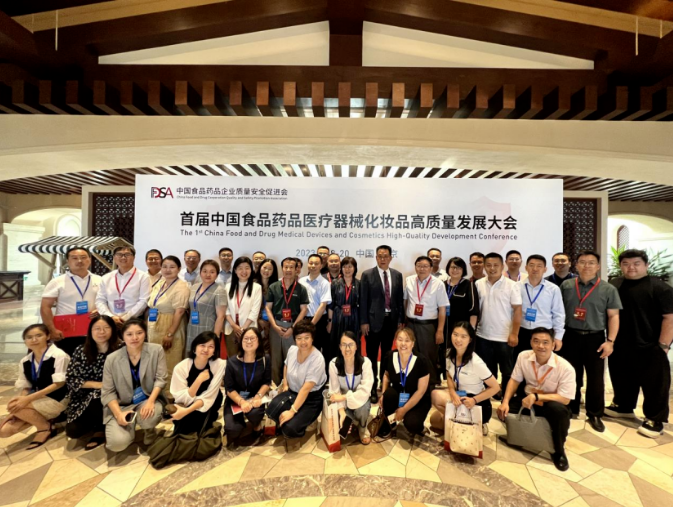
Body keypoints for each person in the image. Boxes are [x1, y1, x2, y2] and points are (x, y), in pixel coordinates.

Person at [605, 249, 673, 438]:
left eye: (636, 263)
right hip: (621, 342)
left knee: (654, 384)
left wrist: (663, 345)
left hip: (651, 345)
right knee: (621, 376)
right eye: (626, 264)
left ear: (646, 265)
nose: (631, 268)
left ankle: (654, 419)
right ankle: (623, 406)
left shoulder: (660, 288)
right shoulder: (615, 284)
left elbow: (669, 318)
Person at [498, 328, 576, 472]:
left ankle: (558, 451)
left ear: (553, 345)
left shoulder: (565, 368)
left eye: (545, 342)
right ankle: (518, 437)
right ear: (531, 343)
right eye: (536, 341)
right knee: (505, 412)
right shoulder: (523, 356)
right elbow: (514, 380)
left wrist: (537, 397)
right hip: (527, 399)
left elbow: (565, 399)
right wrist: (505, 402)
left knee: (558, 412)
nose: (541, 346)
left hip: (550, 402)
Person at [559, 250, 621, 432]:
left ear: (598, 266)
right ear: (576, 265)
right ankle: (571, 407)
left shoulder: (608, 289)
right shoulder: (567, 286)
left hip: (595, 338)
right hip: (570, 335)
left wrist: (610, 341)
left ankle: (594, 413)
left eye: (591, 262)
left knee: (595, 378)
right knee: (570, 374)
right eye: (582, 262)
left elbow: (614, 316)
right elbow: (558, 311)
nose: (586, 266)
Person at [0, 324, 69, 450]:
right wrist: (20, 404)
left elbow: (59, 384)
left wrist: (25, 401)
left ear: (47, 336)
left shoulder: (59, 355)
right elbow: (26, 387)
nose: (34, 340)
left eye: (38, 335)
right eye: (29, 337)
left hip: (59, 397)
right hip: (38, 399)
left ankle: (45, 428)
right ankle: (47, 423)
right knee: (4, 431)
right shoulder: (25, 361)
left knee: (14, 406)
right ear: (25, 341)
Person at [101, 319, 167, 452]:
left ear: (145, 333)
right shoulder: (112, 359)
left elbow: (161, 379)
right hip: (122, 405)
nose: (135, 338)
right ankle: (128, 431)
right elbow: (108, 392)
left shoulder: (156, 350)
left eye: (139, 333)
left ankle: (149, 429)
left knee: (149, 417)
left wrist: (150, 401)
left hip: (146, 399)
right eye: (129, 334)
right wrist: (118, 414)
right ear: (122, 336)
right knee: (117, 444)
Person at [430, 322, 500, 435]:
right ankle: (462, 422)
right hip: (459, 398)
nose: (458, 339)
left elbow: (495, 387)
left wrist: (474, 400)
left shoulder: (476, 362)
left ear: (470, 340)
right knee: (434, 420)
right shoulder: (449, 354)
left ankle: (475, 423)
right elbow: (449, 375)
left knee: (437, 398)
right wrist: (452, 392)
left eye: (463, 336)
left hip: (476, 402)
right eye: (455, 334)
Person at [65, 315, 121, 449]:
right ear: (90, 331)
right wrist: (97, 385)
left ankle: (101, 428)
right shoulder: (81, 350)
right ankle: (97, 422)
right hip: (83, 396)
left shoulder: (121, 349)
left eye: (106, 328)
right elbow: (71, 378)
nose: (102, 332)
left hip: (112, 394)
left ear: (113, 330)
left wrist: (106, 387)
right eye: (97, 328)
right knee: (73, 431)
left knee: (98, 398)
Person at [360, 245, 404, 403]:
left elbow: (399, 300)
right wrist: (364, 321)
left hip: (391, 321)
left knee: (387, 354)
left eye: (386, 256)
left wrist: (400, 320)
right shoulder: (367, 275)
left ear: (391, 257)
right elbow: (363, 300)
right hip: (372, 322)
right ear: (376, 258)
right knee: (371, 355)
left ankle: (384, 383)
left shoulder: (397, 275)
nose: (383, 259)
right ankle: (372, 386)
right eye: (380, 256)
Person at [267, 321, 326, 438]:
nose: (303, 342)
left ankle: (309, 421)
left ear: (312, 338)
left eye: (306, 338)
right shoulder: (292, 350)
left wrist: (292, 411)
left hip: (311, 398)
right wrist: (285, 383)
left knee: (289, 429)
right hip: (293, 392)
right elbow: (286, 365)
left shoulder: (317, 359)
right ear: (294, 339)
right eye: (299, 338)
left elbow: (306, 389)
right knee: (271, 410)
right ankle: (297, 418)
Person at [475, 253, 522, 398]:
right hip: (483, 335)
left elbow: (518, 310)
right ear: (484, 266)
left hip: (504, 336)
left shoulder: (512, 285)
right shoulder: (478, 284)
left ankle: (507, 398)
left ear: (502, 266)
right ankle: (492, 394)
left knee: (507, 370)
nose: (492, 268)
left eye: (496, 265)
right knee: (487, 369)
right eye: (488, 265)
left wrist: (514, 334)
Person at [41, 247, 102, 356]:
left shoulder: (100, 280)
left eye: (83, 257)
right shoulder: (57, 282)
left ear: (89, 260)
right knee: (66, 359)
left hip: (93, 329)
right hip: (66, 331)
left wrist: (100, 310)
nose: (79, 261)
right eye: (74, 258)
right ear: (68, 261)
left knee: (93, 358)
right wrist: (52, 329)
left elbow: (106, 301)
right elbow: (45, 307)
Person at [404, 256, 449, 387]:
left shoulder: (438, 284)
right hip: (411, 324)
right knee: (410, 354)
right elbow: (405, 301)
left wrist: (440, 330)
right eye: (419, 265)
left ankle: (431, 385)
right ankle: (412, 383)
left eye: (425, 266)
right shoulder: (409, 280)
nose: (422, 269)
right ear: (415, 267)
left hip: (428, 326)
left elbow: (442, 309)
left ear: (431, 268)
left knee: (428, 356)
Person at [170, 331, 226, 436]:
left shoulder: (219, 365)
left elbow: (209, 395)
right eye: (202, 345)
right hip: (186, 403)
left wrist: (186, 411)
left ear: (214, 351)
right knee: (183, 426)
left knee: (196, 424)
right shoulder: (181, 367)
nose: (206, 350)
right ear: (194, 348)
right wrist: (198, 380)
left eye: (211, 346)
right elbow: (182, 399)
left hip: (210, 402)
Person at [147, 256, 190, 387]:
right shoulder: (160, 283)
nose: (167, 270)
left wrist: (170, 333)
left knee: (170, 360)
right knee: (156, 359)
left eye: (172, 267)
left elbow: (180, 311)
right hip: (155, 324)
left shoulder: (181, 286)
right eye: (164, 266)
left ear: (179, 269)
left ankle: (170, 392)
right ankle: (157, 389)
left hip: (170, 325)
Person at [266, 258, 309, 386]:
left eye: (291, 267)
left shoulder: (301, 289)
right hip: (276, 325)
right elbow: (268, 308)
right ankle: (275, 387)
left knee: (292, 358)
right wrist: (274, 326)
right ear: (282, 269)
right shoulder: (274, 287)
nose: (288, 270)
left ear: (296, 269)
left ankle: (290, 387)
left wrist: (293, 328)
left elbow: (304, 310)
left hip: (293, 326)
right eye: (286, 267)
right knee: (275, 359)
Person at [380, 328, 431, 436]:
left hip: (417, 399)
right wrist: (383, 394)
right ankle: (390, 424)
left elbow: (421, 391)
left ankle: (419, 427)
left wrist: (404, 409)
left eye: (407, 340)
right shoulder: (390, 356)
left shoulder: (421, 361)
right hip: (399, 394)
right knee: (388, 395)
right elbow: (386, 375)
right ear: (395, 341)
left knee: (412, 424)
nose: (403, 343)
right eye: (400, 339)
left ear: (413, 343)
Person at [223, 328, 271, 443]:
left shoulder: (265, 359)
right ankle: (239, 422)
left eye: (252, 338)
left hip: (254, 398)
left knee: (255, 415)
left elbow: (267, 382)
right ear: (241, 341)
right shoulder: (232, 361)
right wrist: (241, 402)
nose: (249, 341)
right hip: (235, 399)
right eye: (246, 338)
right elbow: (229, 388)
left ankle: (256, 424)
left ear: (258, 341)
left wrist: (258, 396)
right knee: (232, 430)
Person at [328, 331, 374, 444]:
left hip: (360, 401)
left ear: (356, 346)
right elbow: (335, 391)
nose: (347, 348)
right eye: (344, 345)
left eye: (351, 344)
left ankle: (362, 427)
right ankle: (351, 420)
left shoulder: (365, 363)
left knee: (363, 408)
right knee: (341, 427)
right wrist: (342, 412)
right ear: (340, 347)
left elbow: (364, 391)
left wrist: (344, 397)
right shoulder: (334, 364)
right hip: (343, 404)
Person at [517, 255, 565, 360]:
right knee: (522, 362)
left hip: (545, 332)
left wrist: (558, 337)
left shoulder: (553, 289)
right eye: (531, 265)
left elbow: (558, 314)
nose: (535, 269)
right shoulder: (516, 287)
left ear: (545, 269)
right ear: (526, 268)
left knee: (544, 363)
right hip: (522, 331)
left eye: (539, 266)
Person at [96, 246, 151, 326]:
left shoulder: (143, 277)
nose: (123, 257)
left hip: (134, 321)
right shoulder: (106, 278)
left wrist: (125, 318)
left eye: (127, 254)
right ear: (114, 258)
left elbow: (144, 300)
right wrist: (110, 317)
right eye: (119, 254)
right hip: (110, 322)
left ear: (134, 257)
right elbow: (100, 300)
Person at [224, 256, 262, 358]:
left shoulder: (257, 287)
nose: (244, 271)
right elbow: (225, 309)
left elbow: (255, 311)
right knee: (232, 359)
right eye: (240, 268)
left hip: (249, 329)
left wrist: (243, 329)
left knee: (249, 358)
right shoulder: (228, 287)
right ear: (235, 270)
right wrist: (234, 326)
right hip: (231, 329)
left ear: (251, 270)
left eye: (247, 268)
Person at [186, 260, 227, 352]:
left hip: (208, 328)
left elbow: (221, 316)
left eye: (212, 272)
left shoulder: (220, 290)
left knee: (205, 354)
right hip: (192, 327)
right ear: (200, 272)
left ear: (217, 274)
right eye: (205, 271)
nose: (208, 275)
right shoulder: (194, 287)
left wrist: (215, 337)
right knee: (192, 353)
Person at [327, 257, 360, 367]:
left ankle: (353, 369)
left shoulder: (359, 284)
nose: (347, 269)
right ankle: (336, 369)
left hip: (354, 316)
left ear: (355, 268)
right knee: (337, 342)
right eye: (345, 266)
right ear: (341, 268)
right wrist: (330, 322)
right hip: (338, 316)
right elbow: (331, 305)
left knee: (352, 342)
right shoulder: (335, 283)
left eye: (350, 266)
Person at [299, 254, 332, 358]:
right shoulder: (301, 281)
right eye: (311, 263)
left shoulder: (325, 283)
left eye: (316, 263)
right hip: (303, 320)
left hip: (319, 321)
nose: (313, 266)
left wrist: (312, 324)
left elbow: (323, 306)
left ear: (321, 266)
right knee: (304, 350)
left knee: (316, 350)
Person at [253, 258, 278, 355]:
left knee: (270, 351)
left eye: (270, 269)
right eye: (264, 267)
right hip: (256, 322)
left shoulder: (276, 286)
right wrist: (259, 319)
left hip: (273, 324)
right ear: (260, 268)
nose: (266, 271)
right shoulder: (253, 285)